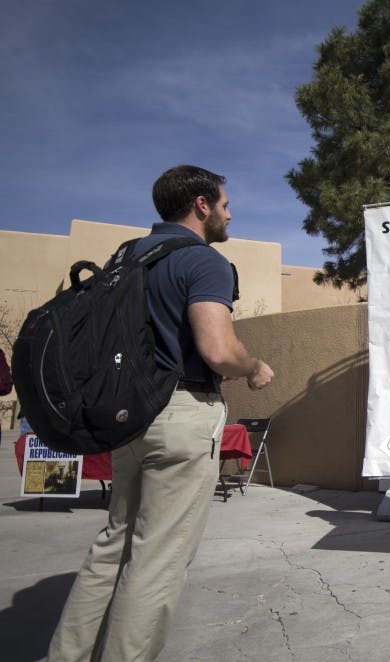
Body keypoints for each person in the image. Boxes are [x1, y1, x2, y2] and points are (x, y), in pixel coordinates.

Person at [48, 165, 275, 661]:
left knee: (113, 544)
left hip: (128, 416)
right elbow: (217, 350)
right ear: (201, 204)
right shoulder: (203, 261)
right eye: (224, 203)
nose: (229, 213)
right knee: (157, 560)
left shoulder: (126, 257)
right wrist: (253, 365)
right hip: (181, 413)